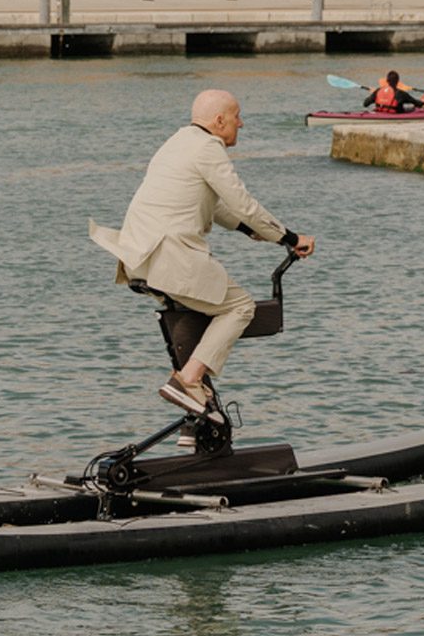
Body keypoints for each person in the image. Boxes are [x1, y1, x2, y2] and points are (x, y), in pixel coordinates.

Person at [90, 86, 314, 416]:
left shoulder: (178, 142)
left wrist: (252, 231)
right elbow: (243, 203)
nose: (242, 124)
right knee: (240, 306)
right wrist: (290, 238)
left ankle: (194, 429)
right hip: (169, 255)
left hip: (140, 256)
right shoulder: (209, 148)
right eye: (237, 117)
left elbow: (221, 209)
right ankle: (188, 380)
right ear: (219, 120)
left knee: (201, 318)